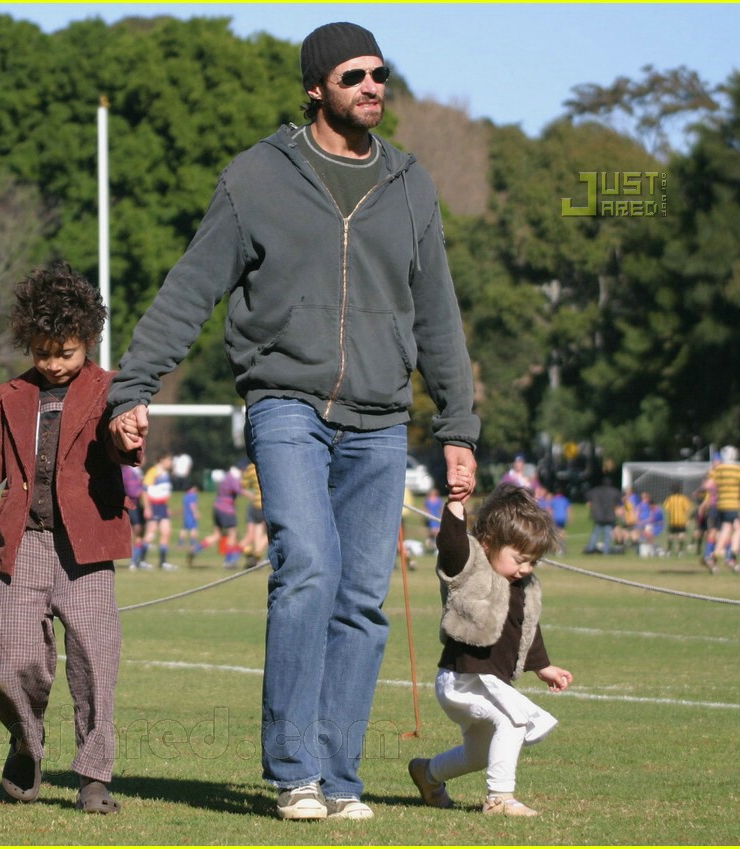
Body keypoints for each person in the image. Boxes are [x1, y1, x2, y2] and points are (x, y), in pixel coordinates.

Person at [107, 21, 480, 820]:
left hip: (382, 418)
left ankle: (341, 778)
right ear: (316, 88)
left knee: (361, 600)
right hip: (286, 403)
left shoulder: (411, 183)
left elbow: (439, 314)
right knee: (307, 564)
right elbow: (189, 288)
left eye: (380, 72)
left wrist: (459, 427)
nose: (373, 86)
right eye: (354, 76)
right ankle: (295, 772)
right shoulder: (257, 177)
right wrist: (132, 385)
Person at [0, 262, 135, 814]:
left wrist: (129, 435)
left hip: (88, 548)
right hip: (25, 545)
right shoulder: (7, 395)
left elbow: (122, 447)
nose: (54, 363)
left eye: (66, 352)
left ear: (88, 340)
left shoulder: (112, 389)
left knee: (95, 665)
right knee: (1, 664)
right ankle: (25, 741)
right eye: (43, 351)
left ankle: (93, 777)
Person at [408, 482, 571, 817]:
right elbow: (451, 546)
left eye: (533, 562)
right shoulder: (469, 569)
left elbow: (527, 628)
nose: (526, 568)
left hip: (489, 683)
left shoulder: (523, 586)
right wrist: (455, 505)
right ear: (488, 544)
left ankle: (428, 774)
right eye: (520, 559)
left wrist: (543, 667)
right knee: (513, 721)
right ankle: (499, 799)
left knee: (481, 752)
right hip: (462, 679)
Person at [707, 445, 740, 572]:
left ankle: (718, 557)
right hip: (732, 505)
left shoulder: (717, 469)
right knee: (734, 529)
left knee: (728, 529)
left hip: (719, 505)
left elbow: (708, 484)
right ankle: (727, 556)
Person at [139, 453, 177, 571]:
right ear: (162, 459)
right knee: (150, 533)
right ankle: (141, 560)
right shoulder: (153, 472)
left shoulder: (166, 474)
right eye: (169, 460)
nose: (171, 462)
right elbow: (144, 490)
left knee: (166, 532)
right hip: (154, 506)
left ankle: (163, 561)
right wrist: (147, 507)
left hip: (162, 506)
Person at [239, 461, 268, 569]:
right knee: (270, 532)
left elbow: (243, 486)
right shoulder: (268, 464)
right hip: (265, 504)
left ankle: (254, 558)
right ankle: (256, 553)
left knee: (258, 532)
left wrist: (252, 495)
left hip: (255, 505)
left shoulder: (250, 468)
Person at [583, 477, 621, 555]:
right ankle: (605, 551)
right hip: (609, 516)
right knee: (607, 534)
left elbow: (588, 499)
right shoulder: (614, 491)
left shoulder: (595, 491)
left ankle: (591, 548)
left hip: (598, 516)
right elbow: (618, 503)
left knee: (596, 533)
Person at [122, 465, 148, 568]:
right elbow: (134, 491)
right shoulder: (129, 471)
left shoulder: (136, 471)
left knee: (139, 532)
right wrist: (143, 491)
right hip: (132, 505)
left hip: (136, 505)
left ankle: (138, 560)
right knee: (137, 531)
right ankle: (134, 560)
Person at [661, 490, 693, 557]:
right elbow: (688, 508)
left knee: (671, 535)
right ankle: (680, 551)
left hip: (673, 520)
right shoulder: (683, 498)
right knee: (681, 535)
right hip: (681, 520)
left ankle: (669, 551)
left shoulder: (670, 498)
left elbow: (666, 507)